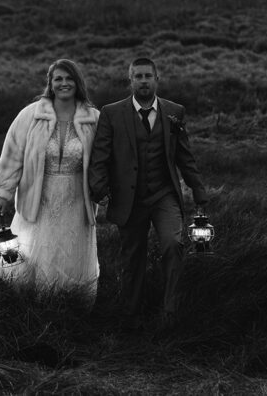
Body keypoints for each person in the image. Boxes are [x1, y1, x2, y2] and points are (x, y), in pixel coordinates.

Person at [88, 57, 210, 332]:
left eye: (148, 76)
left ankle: (170, 312)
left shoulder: (174, 111)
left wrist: (199, 191)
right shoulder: (112, 112)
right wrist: (100, 188)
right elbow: (100, 156)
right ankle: (130, 314)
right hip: (129, 197)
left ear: (157, 79)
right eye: (138, 76)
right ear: (130, 80)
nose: (143, 81)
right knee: (132, 256)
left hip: (164, 194)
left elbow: (184, 156)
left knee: (173, 244)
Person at [0, 59, 100, 304]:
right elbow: (12, 153)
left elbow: (106, 159)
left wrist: (107, 191)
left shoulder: (93, 118)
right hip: (37, 195)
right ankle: (31, 303)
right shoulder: (31, 115)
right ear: (50, 83)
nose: (64, 83)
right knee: (34, 251)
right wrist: (4, 193)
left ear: (77, 82)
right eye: (58, 79)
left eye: (69, 78)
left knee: (69, 252)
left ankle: (68, 303)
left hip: (76, 197)